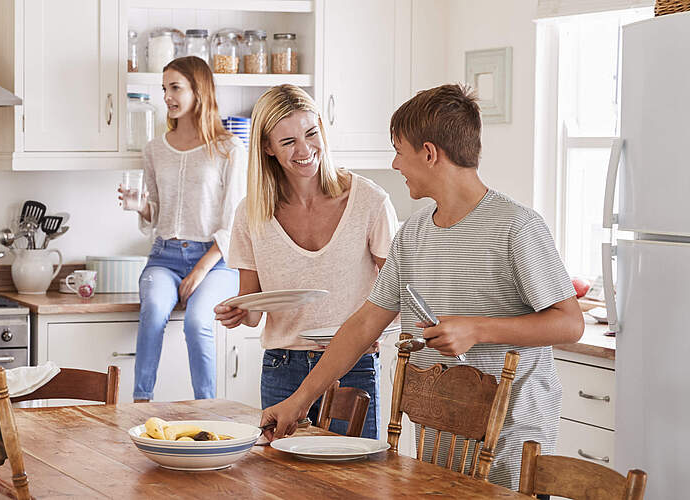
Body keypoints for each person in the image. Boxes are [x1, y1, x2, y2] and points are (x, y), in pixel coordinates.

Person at [259, 84, 583, 489]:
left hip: (509, 437)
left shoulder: (516, 225)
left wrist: (476, 329)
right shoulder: (413, 234)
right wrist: (298, 401)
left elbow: (569, 323)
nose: (395, 163)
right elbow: (363, 326)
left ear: (429, 154)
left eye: (399, 150)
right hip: (440, 435)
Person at [213, 84, 397, 438]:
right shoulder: (251, 213)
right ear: (267, 148)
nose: (305, 150)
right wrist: (238, 312)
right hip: (282, 365)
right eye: (288, 142)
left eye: (311, 133)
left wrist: (377, 331)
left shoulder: (369, 201)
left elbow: (397, 289)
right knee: (282, 484)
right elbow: (253, 310)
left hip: (352, 366)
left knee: (354, 483)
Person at [124, 56, 246, 402]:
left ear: (199, 90)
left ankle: (206, 407)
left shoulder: (228, 148)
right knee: (153, 313)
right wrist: (141, 206)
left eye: (175, 87)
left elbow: (234, 221)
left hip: (216, 262)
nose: (167, 97)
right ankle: (140, 402)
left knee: (197, 323)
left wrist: (199, 271)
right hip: (164, 257)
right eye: (165, 89)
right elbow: (157, 212)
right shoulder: (155, 149)